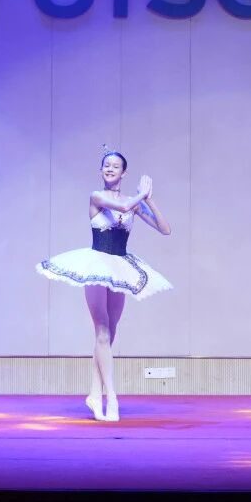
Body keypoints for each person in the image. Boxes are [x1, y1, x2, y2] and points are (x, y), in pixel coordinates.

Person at [36, 146, 172, 422]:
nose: (110, 169)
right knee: (101, 330)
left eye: (115, 166)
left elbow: (165, 229)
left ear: (124, 173)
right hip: (96, 266)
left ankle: (94, 394)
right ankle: (112, 397)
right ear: (101, 171)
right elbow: (122, 207)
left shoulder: (134, 201)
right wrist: (139, 196)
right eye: (106, 165)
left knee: (111, 332)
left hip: (120, 267)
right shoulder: (97, 196)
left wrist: (150, 199)